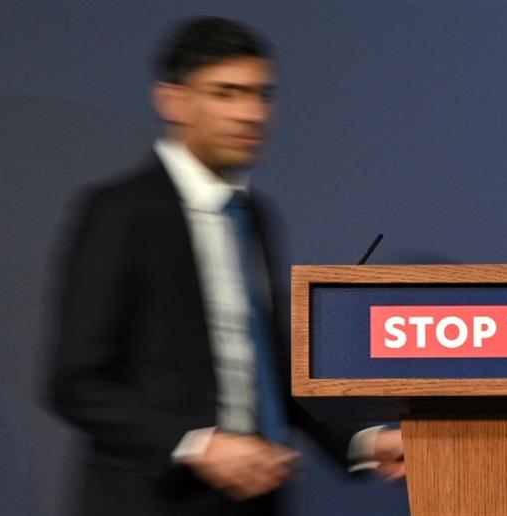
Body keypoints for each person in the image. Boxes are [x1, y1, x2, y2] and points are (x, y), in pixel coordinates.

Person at [47, 16, 402, 516]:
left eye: (261, 94)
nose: (251, 113)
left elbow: (267, 371)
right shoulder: (118, 213)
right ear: (173, 101)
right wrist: (197, 445)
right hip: (152, 503)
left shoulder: (255, 216)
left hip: (256, 502)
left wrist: (363, 442)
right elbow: (77, 384)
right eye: (226, 93)